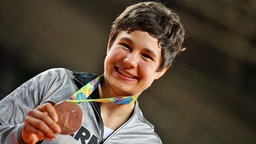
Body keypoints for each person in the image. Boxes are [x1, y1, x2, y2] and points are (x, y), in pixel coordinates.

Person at [0, 1, 185, 144]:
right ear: (109, 44)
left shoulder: (146, 141)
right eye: (125, 46)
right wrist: (21, 136)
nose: (129, 61)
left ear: (160, 71)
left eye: (146, 56)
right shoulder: (56, 83)